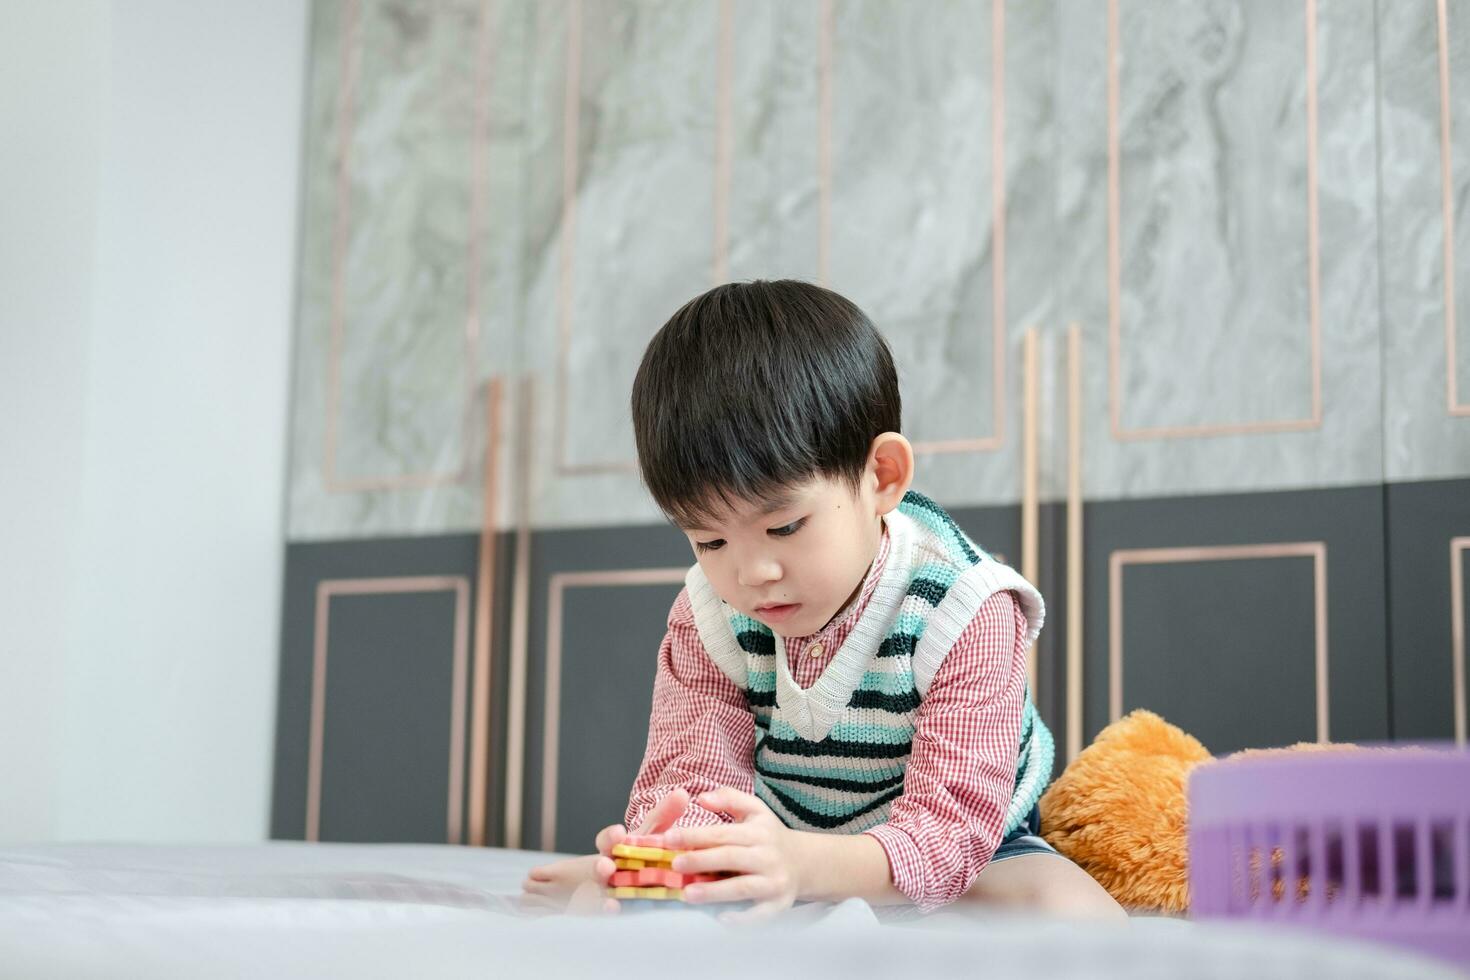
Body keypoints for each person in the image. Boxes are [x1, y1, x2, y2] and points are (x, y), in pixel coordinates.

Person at [522, 280, 1123, 923]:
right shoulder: (710, 615)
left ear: (881, 476)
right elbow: (691, 778)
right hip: (780, 834)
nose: (752, 572)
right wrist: (670, 852)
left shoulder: (964, 608)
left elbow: (953, 832)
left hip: (964, 846)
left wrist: (803, 866)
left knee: (1072, 912)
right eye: (709, 539)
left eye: (785, 527)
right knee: (614, 904)